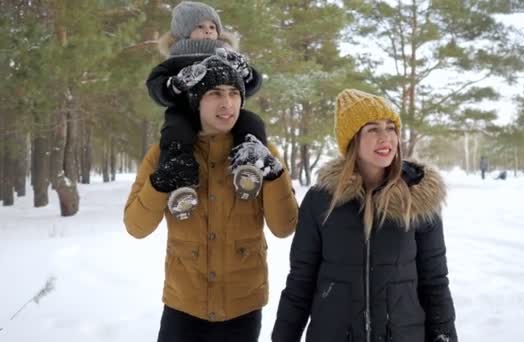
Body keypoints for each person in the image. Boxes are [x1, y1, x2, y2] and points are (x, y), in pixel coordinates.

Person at [124, 55, 299, 342]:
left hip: (242, 307)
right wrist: (160, 183)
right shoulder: (163, 154)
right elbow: (136, 227)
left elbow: (284, 228)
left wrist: (273, 173)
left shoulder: (261, 152)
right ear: (195, 100)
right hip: (184, 306)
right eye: (215, 93)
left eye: (233, 93)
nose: (227, 103)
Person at [272, 89, 457, 342]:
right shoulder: (321, 200)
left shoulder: (418, 199)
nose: (386, 138)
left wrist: (445, 336)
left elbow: (435, 282)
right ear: (352, 140)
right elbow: (300, 281)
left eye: (391, 128)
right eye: (372, 129)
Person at [146, 1, 265, 218]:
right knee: (175, 133)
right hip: (185, 114)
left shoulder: (226, 57)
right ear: (183, 32)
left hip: (224, 115)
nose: (208, 30)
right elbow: (156, 88)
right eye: (200, 26)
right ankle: (181, 184)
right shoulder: (174, 62)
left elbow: (250, 85)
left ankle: (248, 165)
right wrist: (175, 84)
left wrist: (245, 73)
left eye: (212, 27)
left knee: (252, 122)